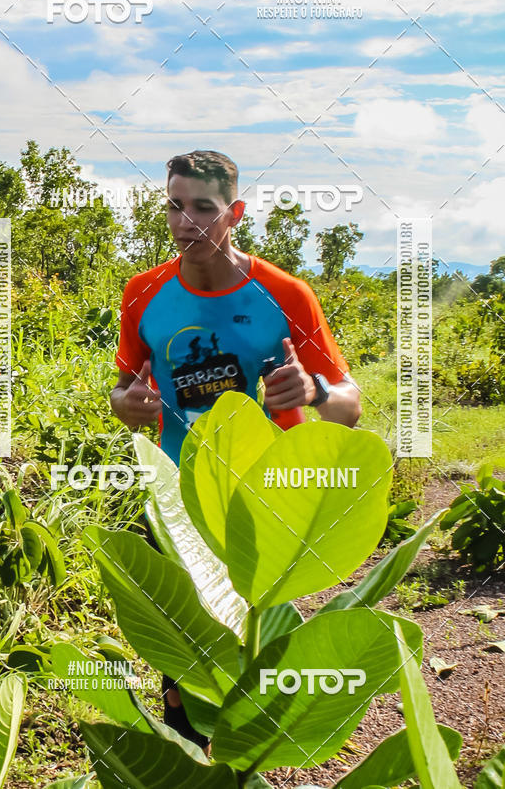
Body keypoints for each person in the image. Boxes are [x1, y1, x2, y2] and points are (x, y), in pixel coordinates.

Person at [110, 149, 361, 753]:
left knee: (253, 633)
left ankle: (254, 751)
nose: (186, 222)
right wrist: (127, 404)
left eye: (204, 208)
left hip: (267, 495)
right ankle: (189, 751)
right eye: (175, 206)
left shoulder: (285, 294)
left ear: (235, 213)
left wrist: (312, 389)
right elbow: (122, 388)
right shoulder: (143, 293)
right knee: (183, 636)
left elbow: (348, 406)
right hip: (177, 490)